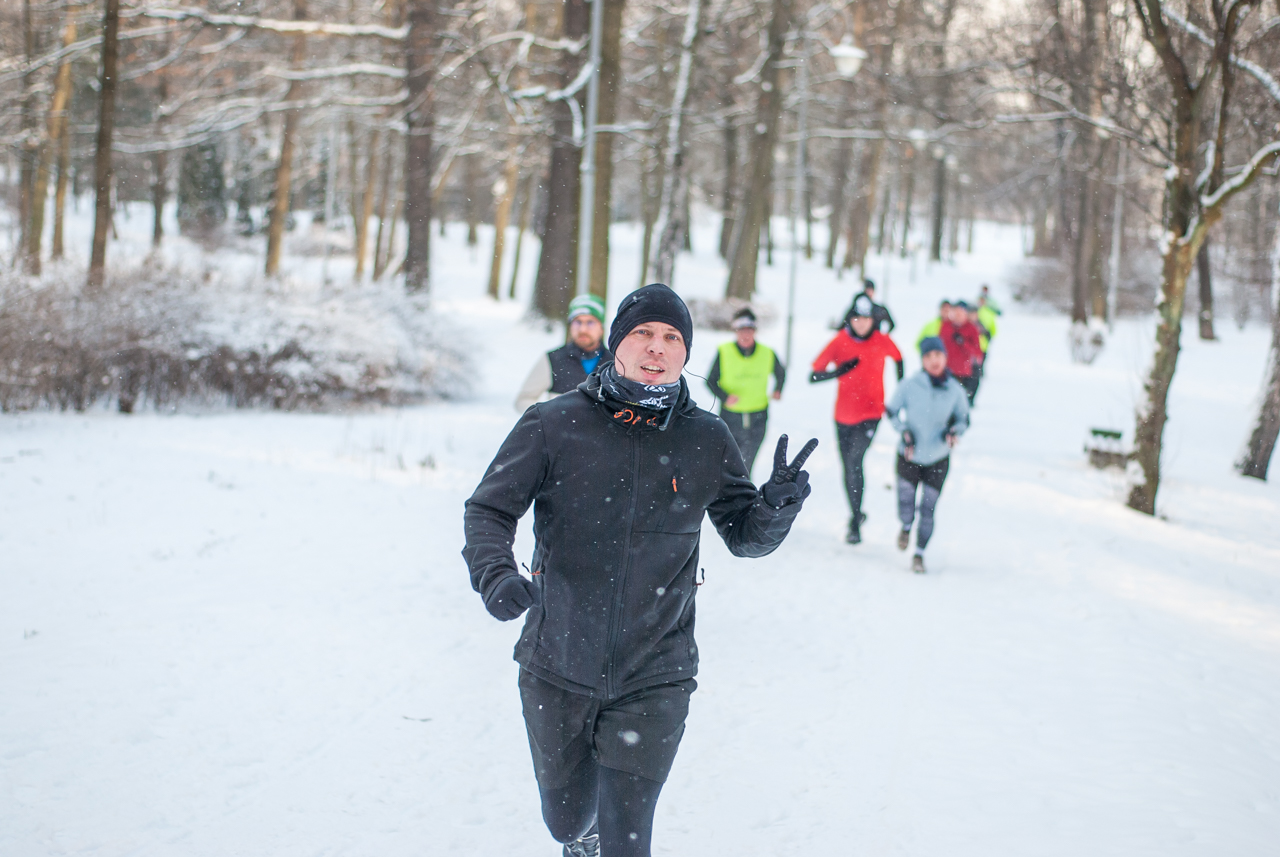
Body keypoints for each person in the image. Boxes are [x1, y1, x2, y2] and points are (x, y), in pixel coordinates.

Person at [463, 283, 817, 857]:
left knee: (628, 837)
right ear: (616, 343)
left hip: (656, 670)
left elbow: (744, 537)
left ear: (686, 352)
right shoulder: (554, 422)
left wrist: (775, 507)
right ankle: (581, 836)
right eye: (644, 333)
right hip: (559, 660)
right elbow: (489, 509)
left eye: (672, 337)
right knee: (568, 821)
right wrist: (496, 575)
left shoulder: (706, 436)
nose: (657, 347)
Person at [811, 293, 904, 545]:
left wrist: (900, 391)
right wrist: (839, 371)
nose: (861, 323)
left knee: (855, 460)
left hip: (871, 414)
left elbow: (899, 359)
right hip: (843, 415)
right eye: (856, 319)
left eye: (866, 319)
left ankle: (854, 522)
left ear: (873, 320)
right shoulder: (840, 341)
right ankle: (856, 511)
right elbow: (814, 374)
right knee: (848, 466)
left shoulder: (882, 340)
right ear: (850, 320)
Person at [885, 336, 970, 574]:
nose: (934, 360)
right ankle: (905, 526)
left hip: (938, 458)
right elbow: (891, 411)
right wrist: (904, 431)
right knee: (906, 505)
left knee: (928, 508)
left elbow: (963, 419)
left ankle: (919, 554)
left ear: (945, 357)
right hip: (909, 455)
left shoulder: (954, 390)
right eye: (929, 356)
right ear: (922, 360)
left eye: (938, 355)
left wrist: (954, 431)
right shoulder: (910, 385)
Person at [705, 307, 786, 475]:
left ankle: (744, 489)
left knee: (747, 463)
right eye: (741, 330)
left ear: (755, 331)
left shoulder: (767, 352)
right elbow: (710, 381)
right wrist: (725, 397)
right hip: (730, 417)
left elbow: (780, 372)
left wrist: (778, 389)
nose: (745, 335)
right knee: (728, 463)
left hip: (758, 416)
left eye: (749, 330)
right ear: (735, 331)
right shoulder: (724, 351)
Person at [515, 293, 610, 412]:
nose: (583, 329)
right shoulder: (552, 359)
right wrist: (549, 414)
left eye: (590, 322)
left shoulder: (616, 363)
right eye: (577, 322)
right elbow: (524, 400)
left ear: (601, 327)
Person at [940, 301, 984, 405]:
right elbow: (940, 345)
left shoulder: (972, 328)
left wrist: (963, 342)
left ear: (965, 314)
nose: (957, 316)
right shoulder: (946, 325)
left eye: (960, 313)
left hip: (964, 372)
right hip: (947, 371)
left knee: (961, 401)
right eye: (955, 313)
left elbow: (977, 351)